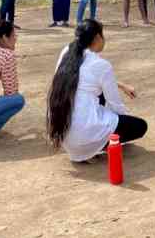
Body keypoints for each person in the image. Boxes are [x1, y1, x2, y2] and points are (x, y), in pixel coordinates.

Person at [48, 19, 148, 162]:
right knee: (140, 126)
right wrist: (124, 120)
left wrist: (121, 85)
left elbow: (84, 78)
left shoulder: (67, 52)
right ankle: (94, 146)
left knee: (96, 98)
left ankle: (92, 142)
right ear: (97, 38)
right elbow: (115, 104)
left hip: (65, 134)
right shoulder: (101, 65)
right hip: (84, 136)